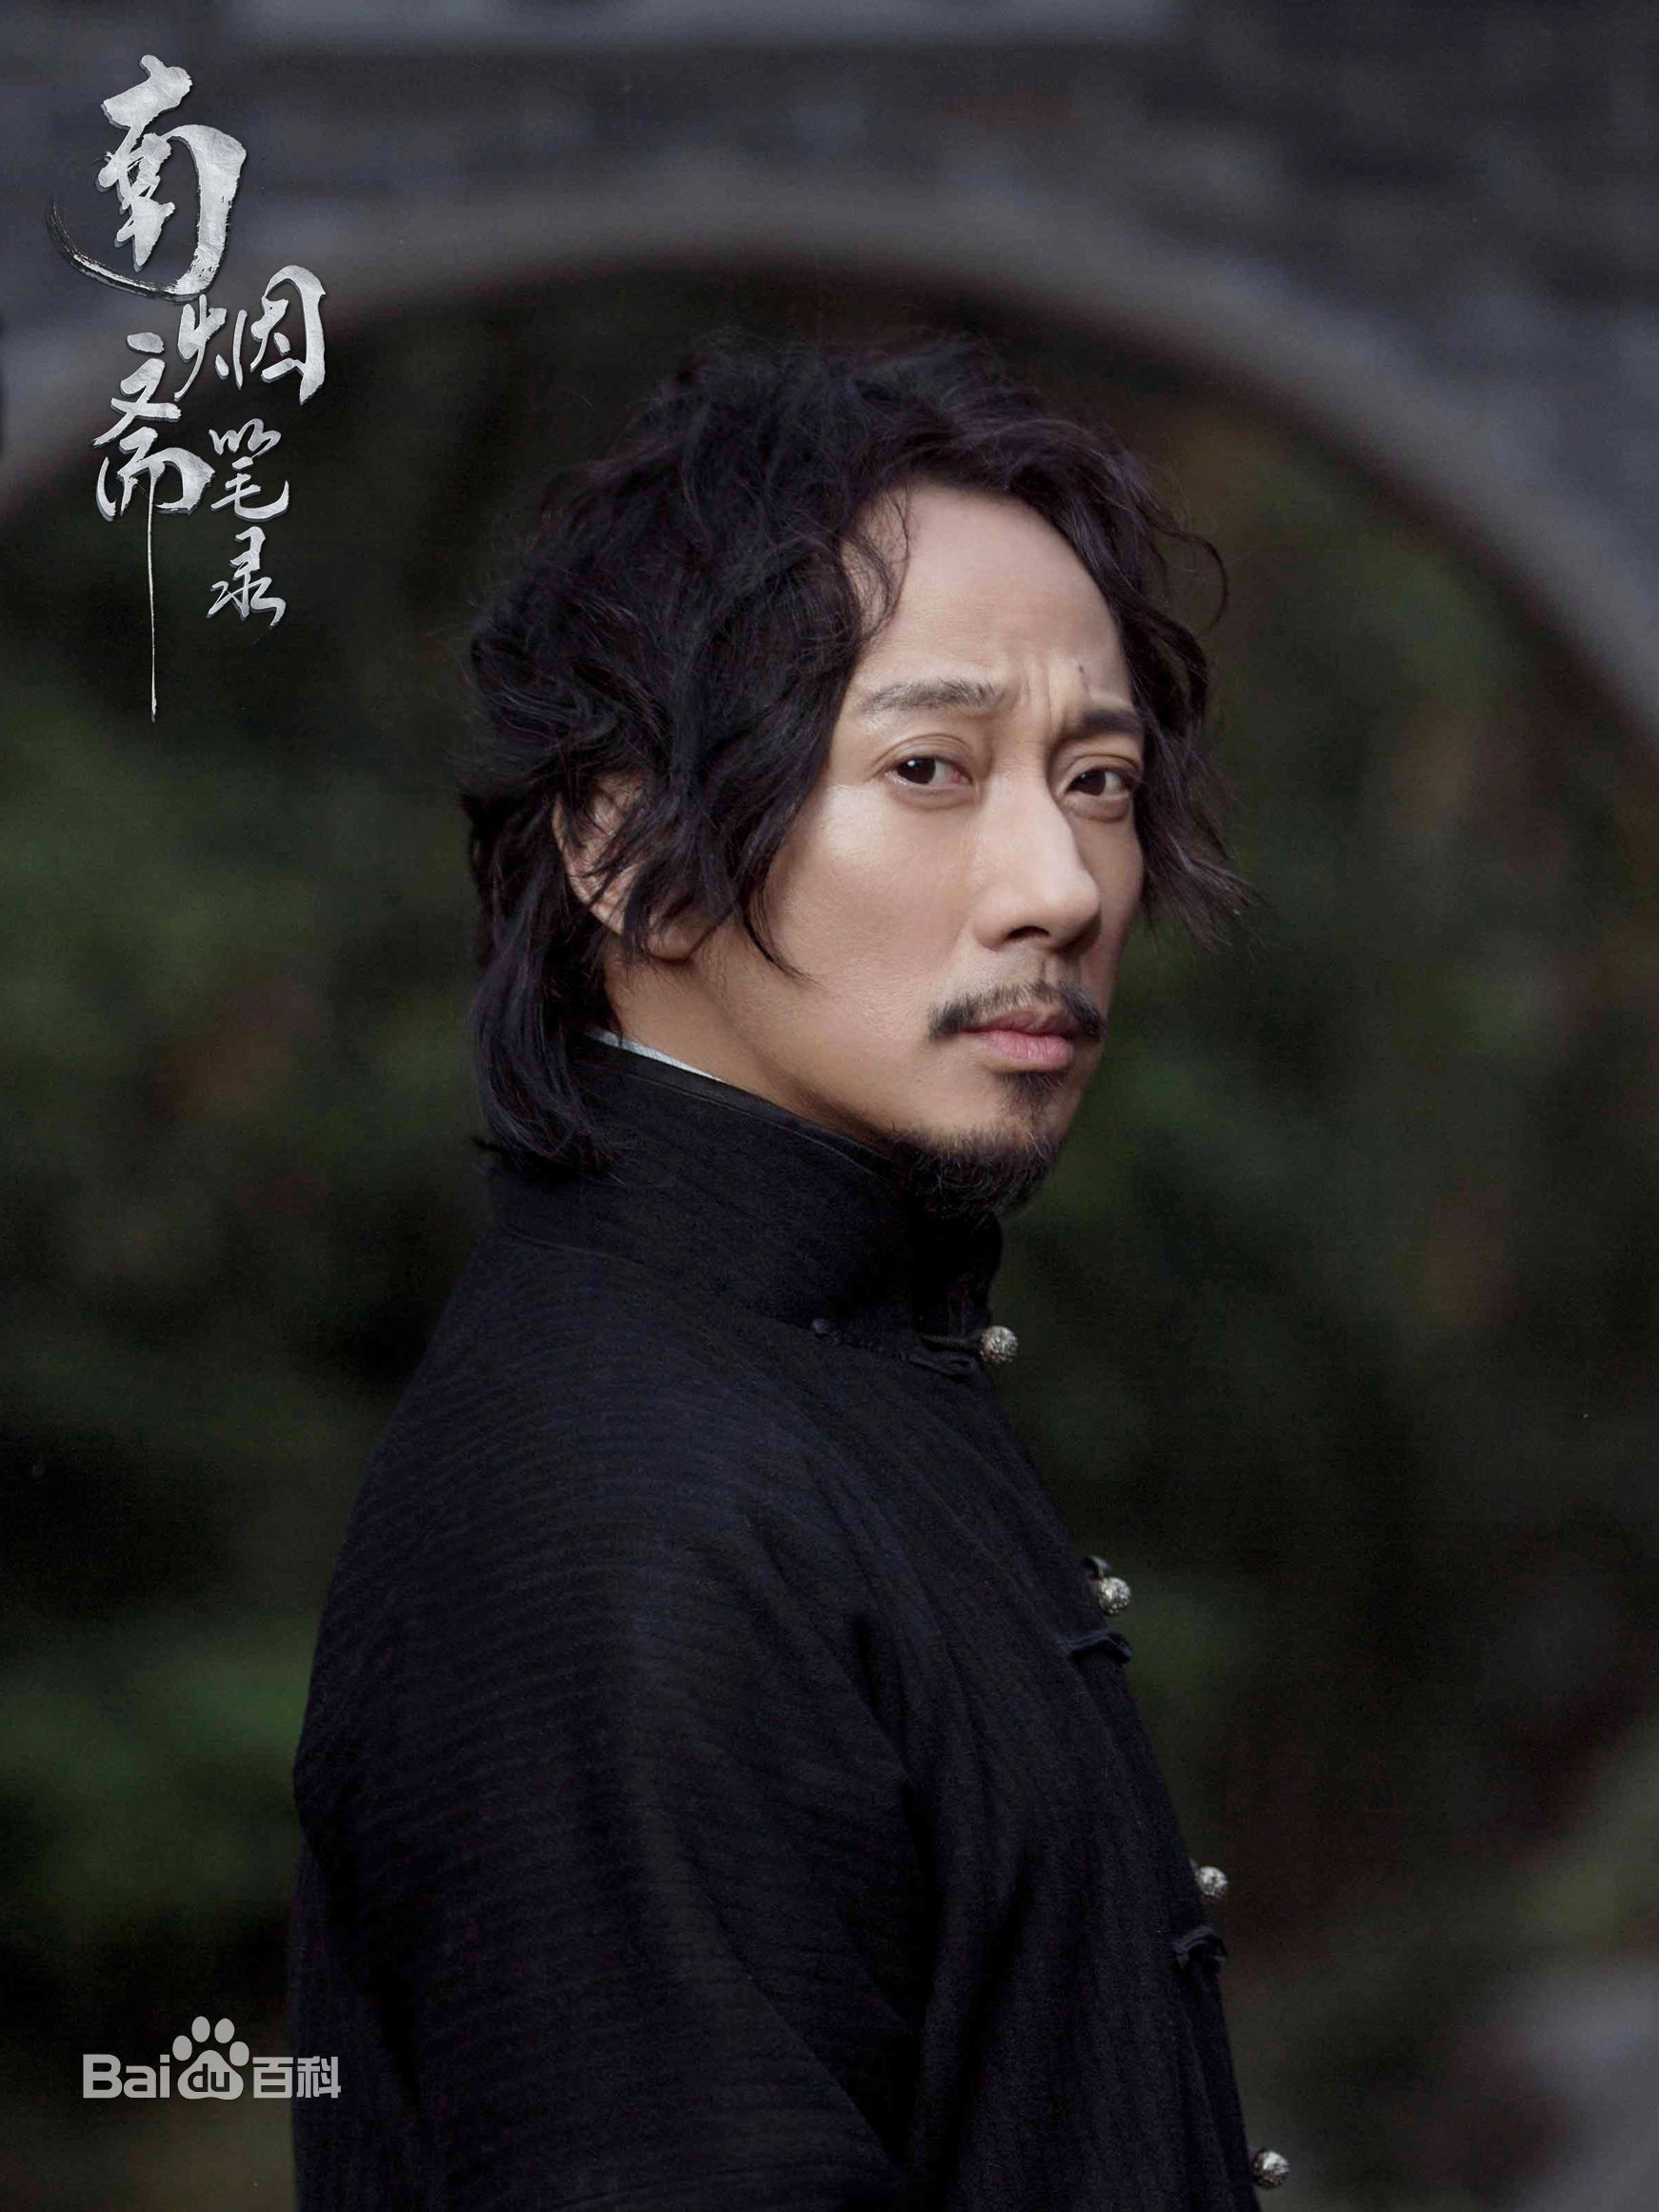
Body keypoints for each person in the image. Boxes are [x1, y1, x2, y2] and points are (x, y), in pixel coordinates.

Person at [288, 332, 1289, 2208]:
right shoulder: (618, 1509)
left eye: (1094, 777)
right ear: (629, 851)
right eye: (927, 765)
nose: (1065, 885)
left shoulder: (804, 1378)